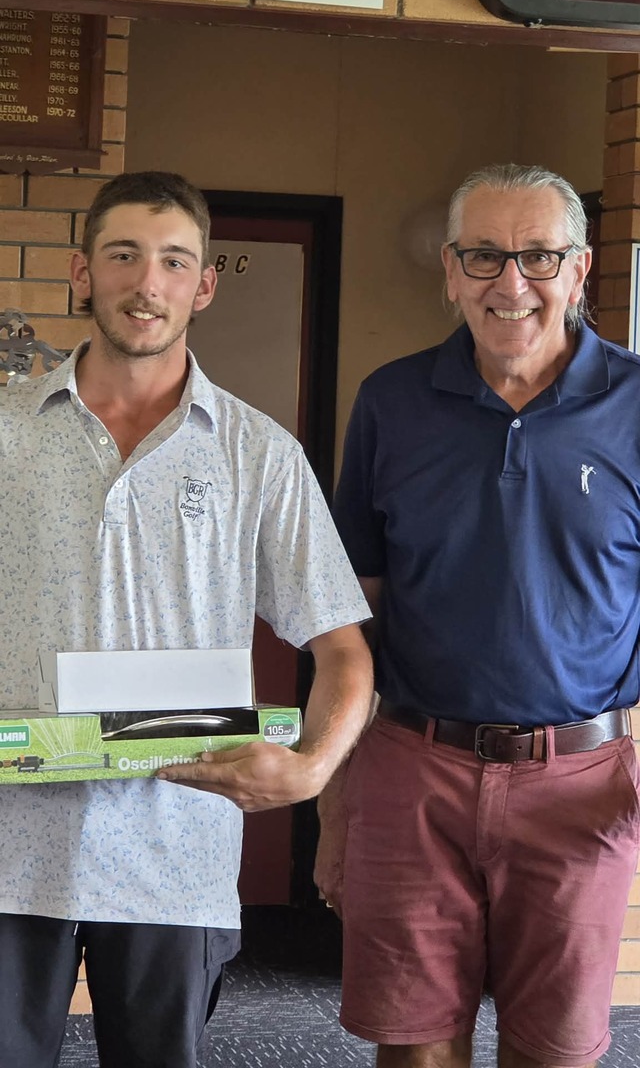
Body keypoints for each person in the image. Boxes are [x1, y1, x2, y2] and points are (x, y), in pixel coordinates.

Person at [0, 170, 373, 1068]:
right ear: (83, 271)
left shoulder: (260, 455)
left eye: (174, 261)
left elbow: (343, 649)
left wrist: (311, 768)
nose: (148, 282)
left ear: (204, 285)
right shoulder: (7, 433)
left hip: (177, 851)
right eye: (124, 255)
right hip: (9, 849)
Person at [318, 163, 640, 1068]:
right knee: (414, 1048)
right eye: (484, 255)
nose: (512, 282)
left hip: (583, 777)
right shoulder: (391, 401)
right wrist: (336, 792)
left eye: (539, 256)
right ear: (451, 272)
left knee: (555, 1052)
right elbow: (352, 615)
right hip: (413, 769)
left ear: (580, 268)